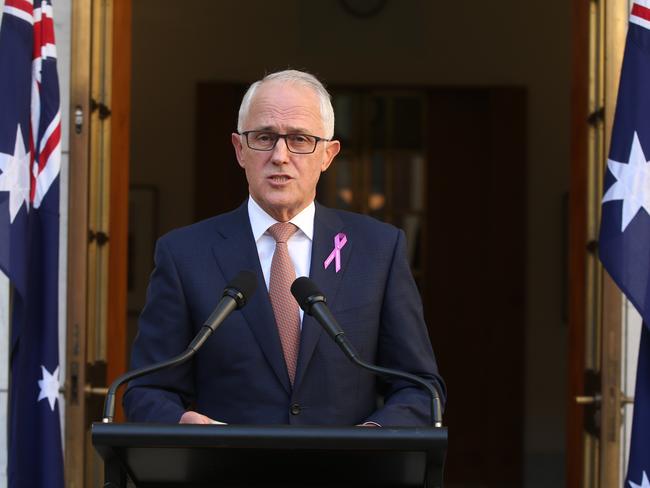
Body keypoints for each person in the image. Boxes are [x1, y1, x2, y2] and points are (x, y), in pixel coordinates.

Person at [123, 70, 445, 426]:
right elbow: (146, 390)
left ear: (328, 154)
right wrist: (185, 425)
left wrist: (373, 439)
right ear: (239, 149)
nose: (280, 155)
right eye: (264, 137)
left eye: (300, 139)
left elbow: (419, 388)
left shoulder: (378, 251)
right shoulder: (184, 255)